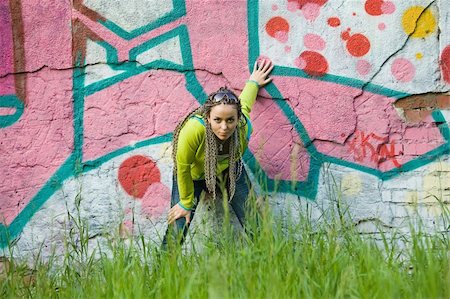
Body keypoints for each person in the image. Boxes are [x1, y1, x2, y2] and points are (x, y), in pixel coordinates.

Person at [162, 59, 274, 247]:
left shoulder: (242, 127)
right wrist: (186, 202)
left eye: (230, 120)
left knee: (255, 224)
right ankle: (162, 272)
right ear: (207, 117)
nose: (224, 127)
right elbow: (182, 167)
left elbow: (244, 104)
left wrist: (253, 82)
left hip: (229, 170)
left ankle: (275, 269)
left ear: (238, 119)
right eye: (217, 120)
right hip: (193, 175)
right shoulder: (193, 130)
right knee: (179, 223)